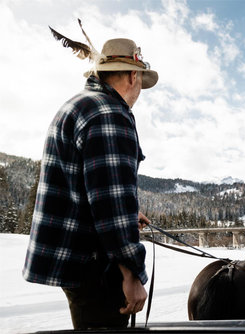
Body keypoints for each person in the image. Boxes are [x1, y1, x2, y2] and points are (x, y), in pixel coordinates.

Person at [23, 38, 158, 329]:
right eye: (140, 82)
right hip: (95, 265)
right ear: (133, 75)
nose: (139, 92)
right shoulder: (110, 114)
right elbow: (110, 202)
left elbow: (89, 187)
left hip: (77, 260)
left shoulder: (79, 105)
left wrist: (128, 213)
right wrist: (131, 273)